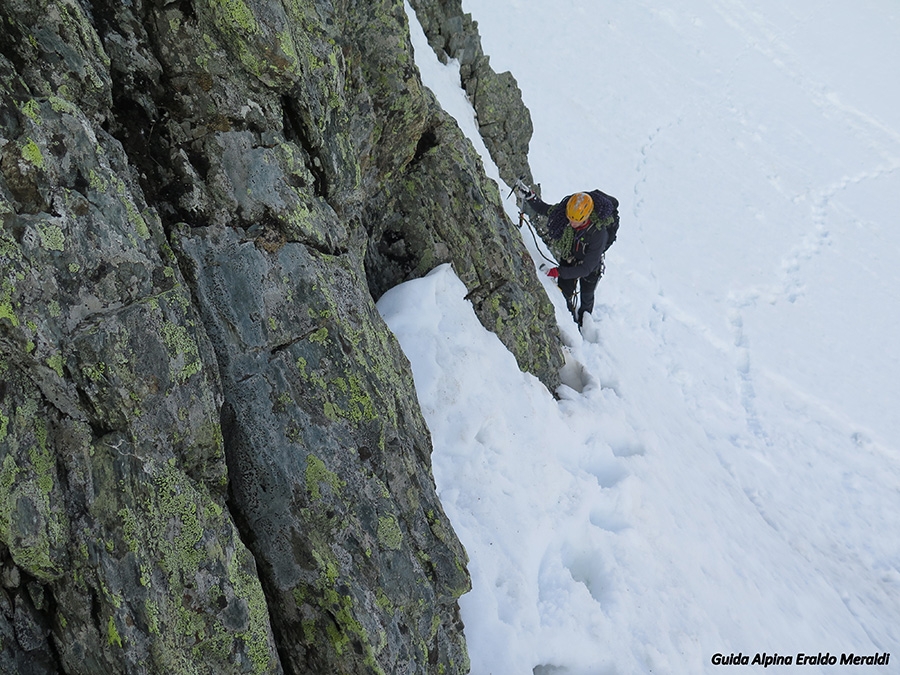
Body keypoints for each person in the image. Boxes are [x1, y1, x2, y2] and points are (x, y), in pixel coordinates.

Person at [517, 185, 619, 325]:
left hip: (590, 267)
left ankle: (585, 322)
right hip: (569, 259)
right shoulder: (567, 214)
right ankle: (569, 321)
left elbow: (586, 268)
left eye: (576, 221)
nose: (571, 223)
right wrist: (531, 197)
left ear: (586, 217)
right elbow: (547, 210)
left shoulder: (598, 234)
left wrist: (559, 271)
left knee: (587, 296)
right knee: (563, 294)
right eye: (570, 219)